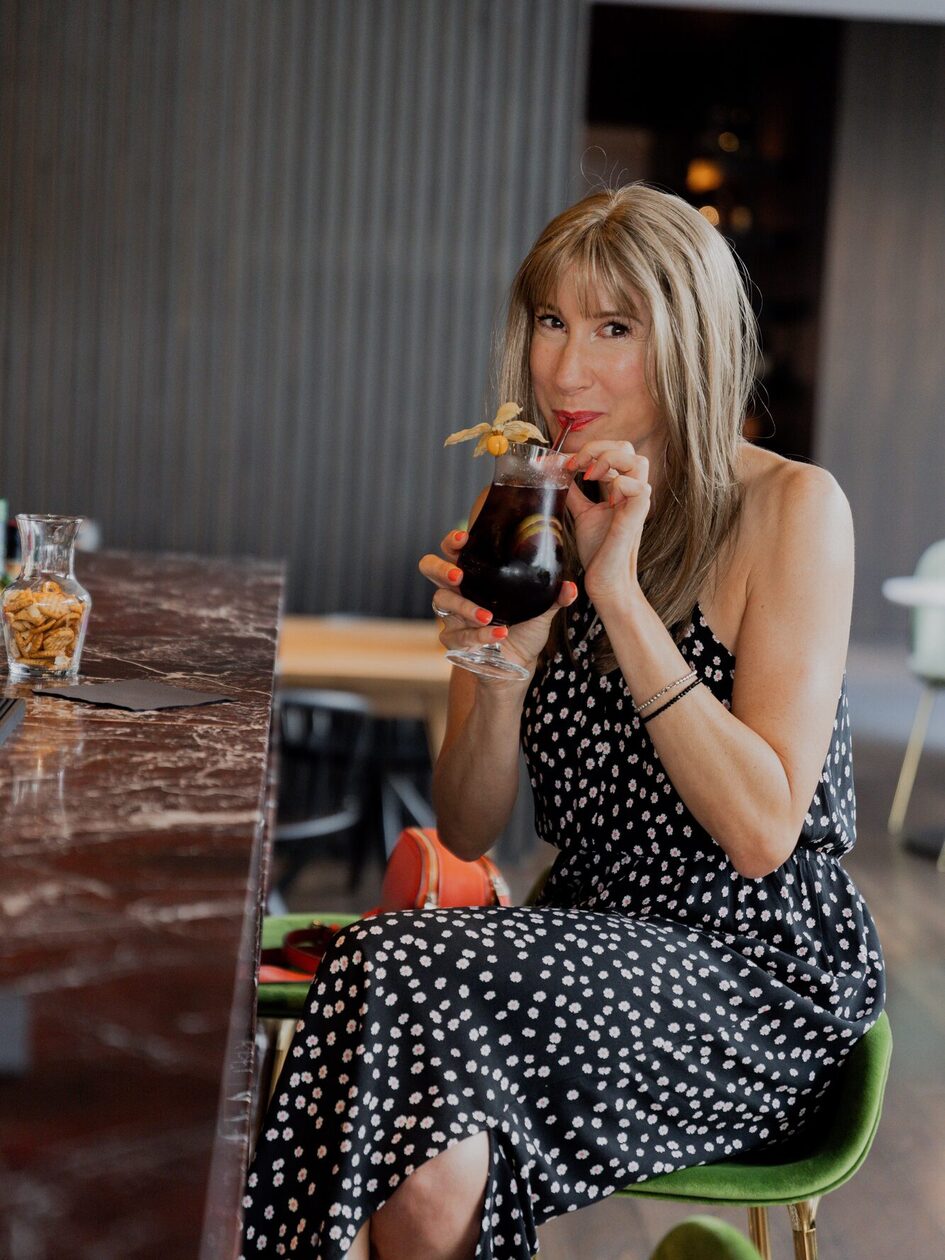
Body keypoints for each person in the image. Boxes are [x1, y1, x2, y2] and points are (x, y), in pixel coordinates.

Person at [240, 184, 884, 1260]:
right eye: (551, 322)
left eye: (614, 328)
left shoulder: (792, 511)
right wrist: (501, 669)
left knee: (399, 975)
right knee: (405, 1041)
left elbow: (763, 832)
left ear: (689, 338)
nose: (566, 370)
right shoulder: (524, 518)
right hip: (571, 954)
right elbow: (469, 825)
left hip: (752, 987)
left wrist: (620, 597)